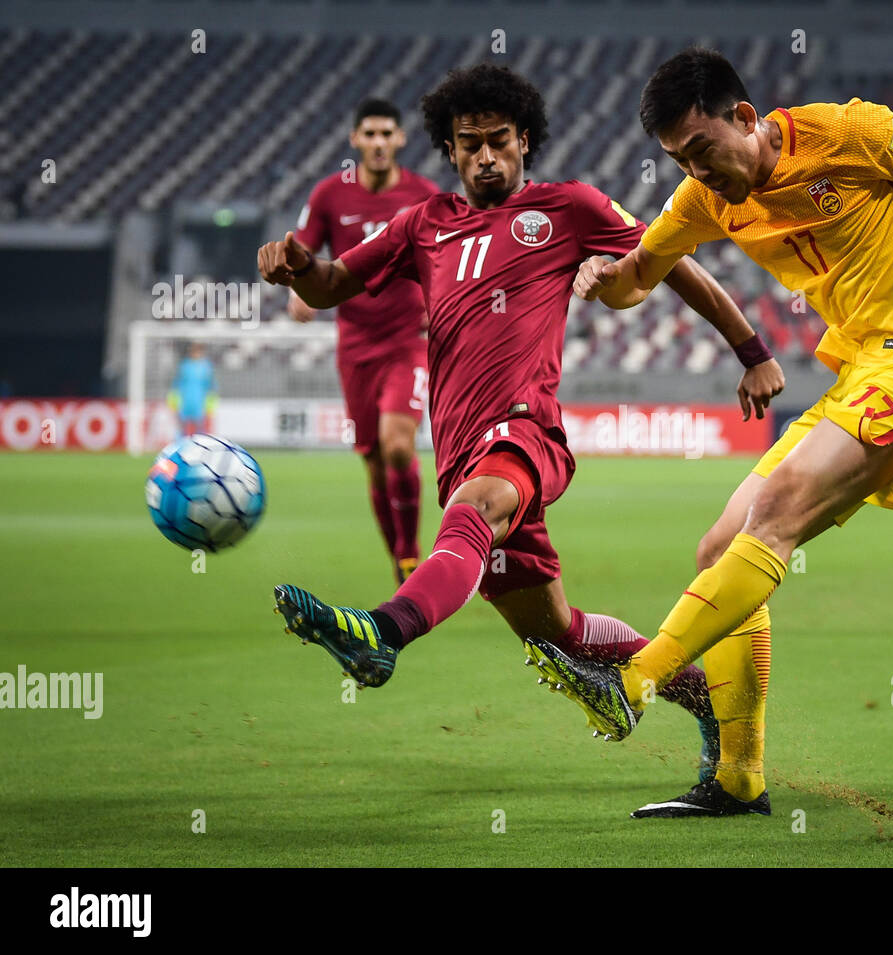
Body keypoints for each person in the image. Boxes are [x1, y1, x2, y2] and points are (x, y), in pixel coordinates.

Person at [528, 47, 893, 818]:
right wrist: (601, 280)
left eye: (702, 150)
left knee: (772, 516)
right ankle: (739, 777)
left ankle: (633, 683)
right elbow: (638, 278)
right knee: (722, 543)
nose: (696, 172)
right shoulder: (705, 199)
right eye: (678, 159)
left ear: (745, 118)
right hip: (861, 380)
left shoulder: (851, 133)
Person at [256, 64, 785, 786]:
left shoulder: (568, 208)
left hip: (524, 433)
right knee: (558, 635)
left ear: (525, 139)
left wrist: (750, 349)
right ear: (448, 150)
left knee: (471, 509)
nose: (484, 155)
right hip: (460, 450)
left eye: (498, 140)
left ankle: (383, 630)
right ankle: (712, 708)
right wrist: (296, 265)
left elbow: (669, 258)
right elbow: (331, 286)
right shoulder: (422, 225)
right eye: (467, 143)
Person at [291, 97, 439, 584]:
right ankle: (398, 559)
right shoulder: (331, 195)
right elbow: (303, 249)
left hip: (408, 340)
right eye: (369, 134)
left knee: (398, 445)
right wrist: (299, 289)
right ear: (355, 139)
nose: (378, 143)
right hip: (354, 344)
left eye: (386, 134)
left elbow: (448, 256)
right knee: (374, 462)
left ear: (400, 139)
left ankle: (413, 552)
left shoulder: (423, 194)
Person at [169, 342, 215, 437]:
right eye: (193, 351)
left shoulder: (206, 366)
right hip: (185, 399)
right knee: (182, 425)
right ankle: (181, 446)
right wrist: (174, 398)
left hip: (199, 400)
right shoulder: (184, 365)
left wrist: (211, 402)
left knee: (199, 425)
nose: (195, 354)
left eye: (198, 351)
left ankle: (200, 446)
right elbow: (176, 383)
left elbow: (211, 385)